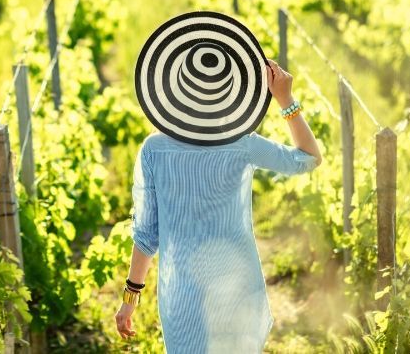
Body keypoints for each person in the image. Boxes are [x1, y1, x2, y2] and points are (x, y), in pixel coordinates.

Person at [115, 58, 323, 352]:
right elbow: (309, 158)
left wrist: (130, 299)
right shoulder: (241, 143)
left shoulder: (154, 149)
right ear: (229, 92)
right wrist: (285, 98)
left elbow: (147, 235)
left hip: (182, 297)